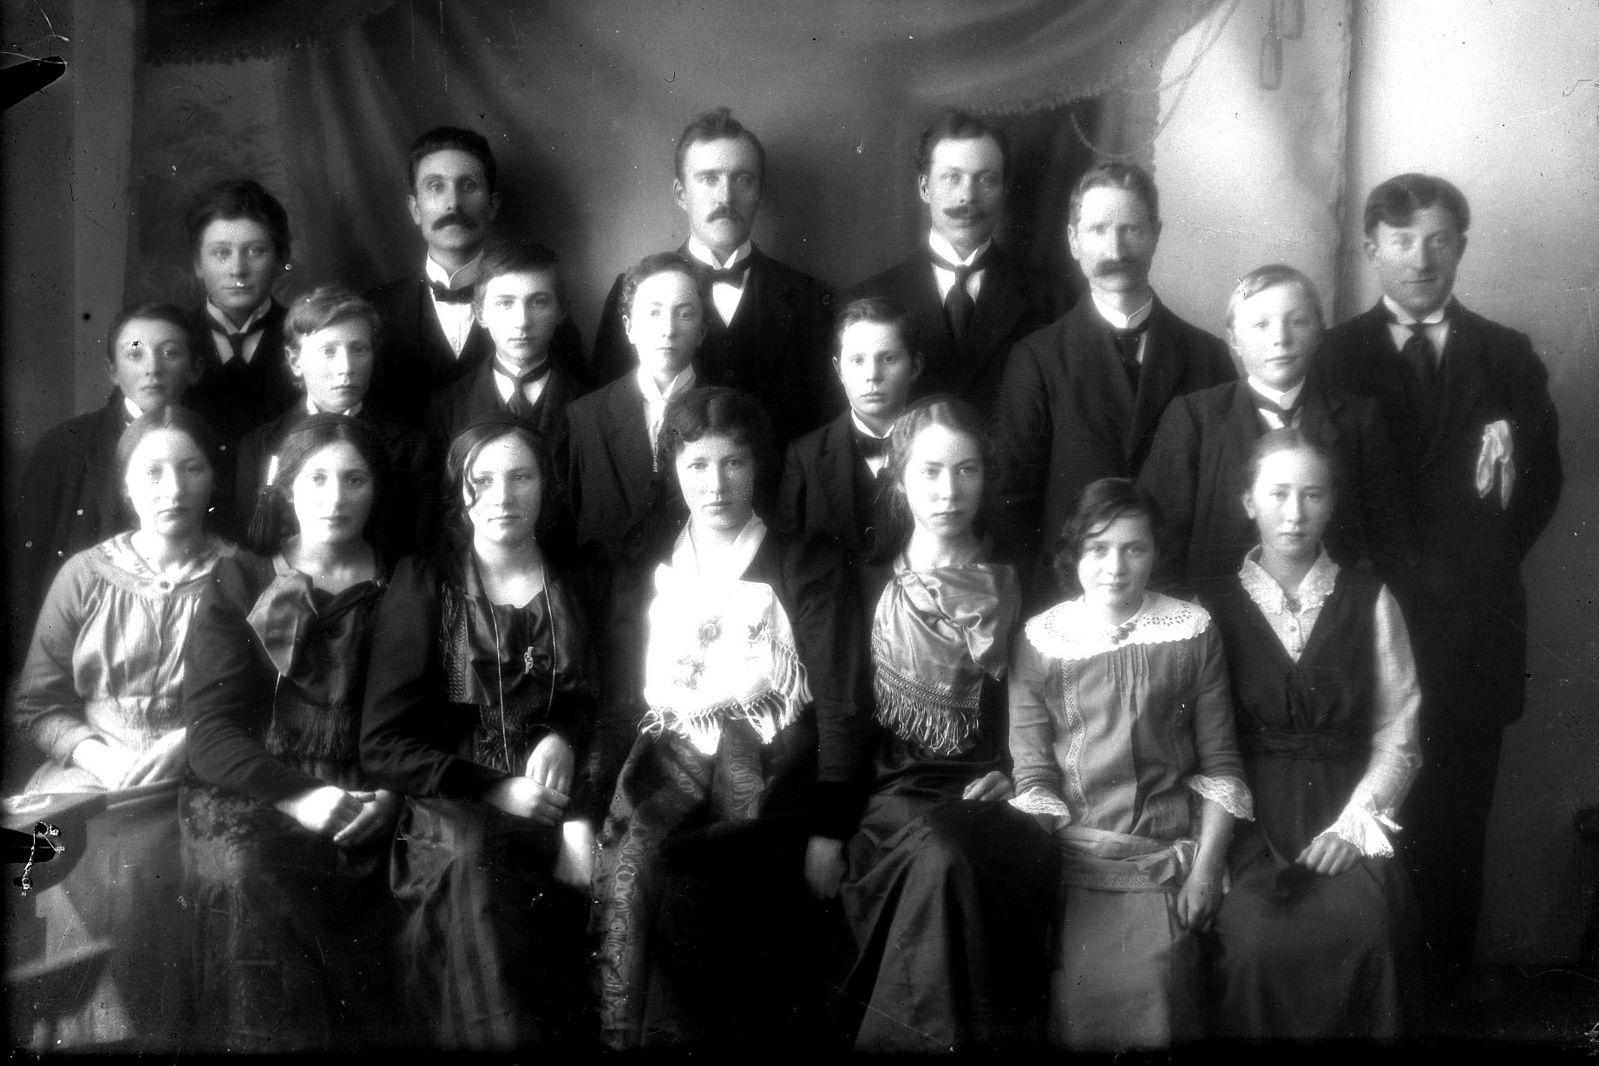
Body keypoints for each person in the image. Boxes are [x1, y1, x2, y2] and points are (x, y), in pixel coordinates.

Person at [1317, 174, 1562, 998]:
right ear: (1370, 248)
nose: (1419, 259)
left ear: (1460, 245)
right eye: (1400, 241)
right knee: (1365, 817)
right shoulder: (1333, 355)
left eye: (1436, 240)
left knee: (1458, 821)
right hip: (1366, 628)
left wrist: (1475, 562)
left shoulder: (1507, 355)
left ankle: (1447, 998)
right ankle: (1372, 997)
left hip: (1471, 628)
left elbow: (1540, 485)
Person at [593, 386, 864, 1050]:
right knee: (637, 866)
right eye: (697, 465)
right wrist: (584, 810)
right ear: (672, 470)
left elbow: (839, 700)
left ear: (758, 465)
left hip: (774, 764)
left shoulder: (803, 559)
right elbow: (622, 702)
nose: (715, 485)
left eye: (733, 463)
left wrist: (830, 831)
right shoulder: (647, 564)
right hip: (666, 760)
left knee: (720, 882)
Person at [360, 416, 597, 1049]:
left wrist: (565, 749)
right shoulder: (425, 582)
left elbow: (602, 703)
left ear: (546, 486)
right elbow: (383, 745)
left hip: (559, 798)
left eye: (521, 477)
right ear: (458, 490)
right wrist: (496, 788)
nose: (502, 497)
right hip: (454, 805)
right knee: (480, 872)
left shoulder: (580, 578)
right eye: (482, 480)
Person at [8, 404, 237, 1050]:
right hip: (91, 777)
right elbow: (35, 705)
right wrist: (99, 756)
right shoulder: (84, 575)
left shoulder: (241, 576)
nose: (173, 488)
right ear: (127, 484)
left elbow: (263, 701)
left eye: (191, 469)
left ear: (212, 479)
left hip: (200, 774)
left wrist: (190, 740)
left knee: (165, 872)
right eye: (153, 472)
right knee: (59, 858)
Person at [836, 397, 1054, 1052]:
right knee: (937, 854)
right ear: (899, 478)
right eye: (929, 471)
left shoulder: (1024, 578)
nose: (948, 491)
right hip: (895, 801)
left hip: (995, 795)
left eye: (966, 471)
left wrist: (1016, 774)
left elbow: (1052, 703)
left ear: (986, 477)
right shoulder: (865, 583)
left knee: (950, 853)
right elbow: (845, 718)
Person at [182, 414, 403, 1051]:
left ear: (376, 488)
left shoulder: (404, 581)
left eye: (355, 479)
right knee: (250, 873)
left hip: (376, 787)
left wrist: (390, 795)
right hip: (258, 790)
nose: (336, 498)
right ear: (286, 488)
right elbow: (211, 732)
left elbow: (423, 716)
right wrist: (300, 796)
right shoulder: (240, 579)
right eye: (317, 479)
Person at [1007, 479, 1251, 1051]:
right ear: (1074, 553)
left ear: (1155, 552)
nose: (1115, 567)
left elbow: (1221, 764)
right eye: (1098, 548)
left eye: (1133, 548)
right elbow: (1034, 775)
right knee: (1073, 1000)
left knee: (1160, 988)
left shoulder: (1192, 631)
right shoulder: (1041, 641)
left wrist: (1206, 870)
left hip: (1164, 863)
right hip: (1073, 864)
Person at [1203, 428, 1422, 1040]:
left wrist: (1355, 828)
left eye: (1312, 495)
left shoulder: (1370, 598)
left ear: (1331, 505)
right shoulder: (1209, 608)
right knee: (1252, 946)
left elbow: (1399, 736)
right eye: (1277, 494)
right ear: (1248, 502)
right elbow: (1196, 741)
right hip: (1248, 826)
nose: (1294, 513)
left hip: (1345, 813)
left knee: (1367, 932)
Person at [992, 164, 1234, 594]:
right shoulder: (1036, 359)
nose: (1116, 248)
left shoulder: (1207, 356)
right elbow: (1011, 504)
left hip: (1179, 597)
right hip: (1069, 600)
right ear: (1073, 240)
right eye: (1098, 230)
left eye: (1131, 229)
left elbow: (1225, 499)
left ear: (1156, 234)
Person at [1139, 264, 1412, 596]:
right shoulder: (1195, 418)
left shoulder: (1360, 420)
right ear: (1234, 339)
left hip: (1332, 613)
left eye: (1297, 321)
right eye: (1261, 324)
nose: (1280, 339)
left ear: (1319, 332)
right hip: (1218, 614)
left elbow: (1388, 543)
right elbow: (1160, 542)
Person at [587, 108, 834, 443]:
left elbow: (822, 430)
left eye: (742, 179)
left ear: (759, 191)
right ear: (681, 194)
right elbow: (607, 421)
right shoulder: (632, 291)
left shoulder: (808, 298)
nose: (726, 197)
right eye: (708, 179)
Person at [566, 253, 703, 802]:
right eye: (652, 312)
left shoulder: (732, 416)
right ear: (627, 325)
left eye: (685, 312)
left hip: (699, 642)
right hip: (607, 642)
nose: (668, 329)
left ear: (703, 325)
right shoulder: (584, 417)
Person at [10, 304, 204, 648]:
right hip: (81, 633)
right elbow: (26, 569)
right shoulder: (63, 447)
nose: (152, 368)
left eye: (170, 353)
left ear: (195, 370)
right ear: (112, 370)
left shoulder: (213, 448)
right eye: (135, 354)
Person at [365, 126, 584, 423]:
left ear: (492, 205)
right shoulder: (375, 311)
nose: (453, 203)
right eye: (435, 186)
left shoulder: (548, 316)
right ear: (415, 209)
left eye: (468, 185)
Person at [846, 109, 1051, 414]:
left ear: (1004, 192)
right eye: (952, 177)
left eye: (986, 179)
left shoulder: (1050, 299)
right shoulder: (867, 298)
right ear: (925, 187)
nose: (968, 196)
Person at [233, 286, 439, 561]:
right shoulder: (261, 445)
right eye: (328, 351)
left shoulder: (410, 449)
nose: (346, 367)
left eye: (359, 349)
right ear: (294, 360)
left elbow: (418, 552)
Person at [426, 240, 588, 532]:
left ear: (561, 311)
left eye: (538, 302)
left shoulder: (590, 405)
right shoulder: (446, 407)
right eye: (505, 303)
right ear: (480, 313)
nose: (522, 321)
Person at [776, 296, 922, 596]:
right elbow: (789, 560)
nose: (872, 375)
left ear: (915, 366)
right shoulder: (805, 455)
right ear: (838, 369)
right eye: (857, 360)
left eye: (888, 359)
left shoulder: (938, 445)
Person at [181, 178, 300, 444]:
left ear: (281, 259)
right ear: (198, 264)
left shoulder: (306, 338)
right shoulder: (171, 338)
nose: (237, 269)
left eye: (256, 251)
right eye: (221, 253)